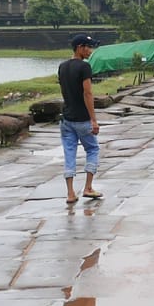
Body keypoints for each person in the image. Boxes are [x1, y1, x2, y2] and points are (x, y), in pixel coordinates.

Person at [58, 34, 103, 205]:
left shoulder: (62, 66)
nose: (90, 51)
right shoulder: (84, 67)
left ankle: (70, 193)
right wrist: (93, 119)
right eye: (88, 47)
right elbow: (87, 93)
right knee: (92, 150)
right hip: (82, 119)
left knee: (69, 153)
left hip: (66, 118)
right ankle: (88, 187)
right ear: (79, 48)